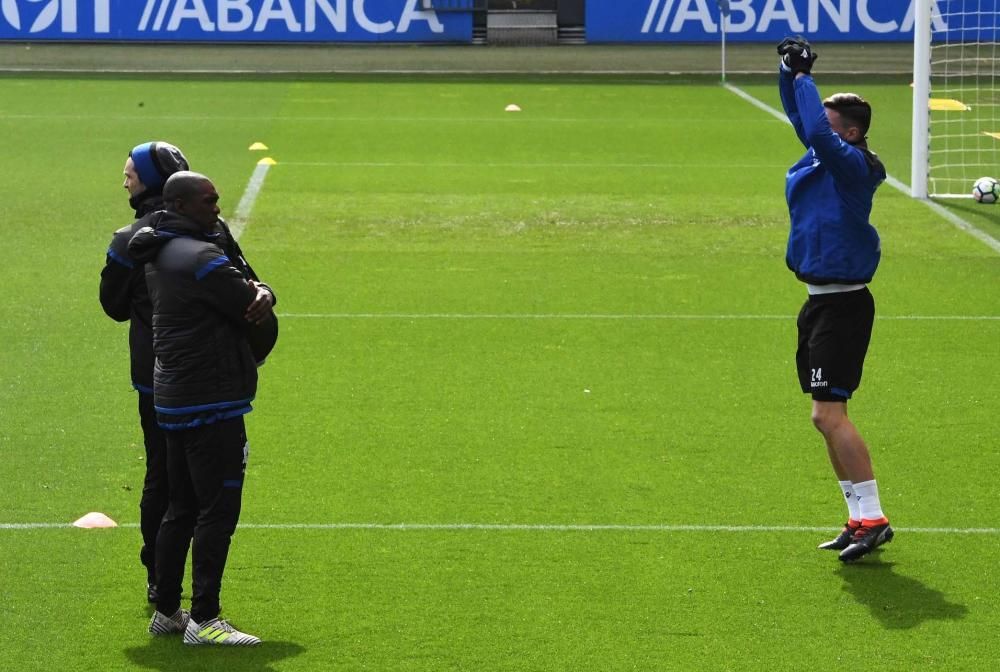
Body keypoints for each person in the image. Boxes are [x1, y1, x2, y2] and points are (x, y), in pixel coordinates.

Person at [101, 143, 278, 604]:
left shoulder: (135, 240)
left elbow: (114, 307)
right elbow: (247, 285)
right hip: (199, 382)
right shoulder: (205, 239)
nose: (125, 182)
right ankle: (195, 606)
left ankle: (161, 590)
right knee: (196, 494)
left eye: (130, 175)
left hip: (156, 379)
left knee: (166, 482)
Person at [776, 37, 893, 563]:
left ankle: (874, 518)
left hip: (843, 305)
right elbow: (806, 124)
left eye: (828, 124)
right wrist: (787, 74)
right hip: (818, 302)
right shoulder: (823, 155)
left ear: (850, 132)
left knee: (829, 416)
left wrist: (805, 78)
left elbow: (816, 130)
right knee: (823, 415)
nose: (815, 130)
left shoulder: (852, 166)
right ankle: (856, 516)